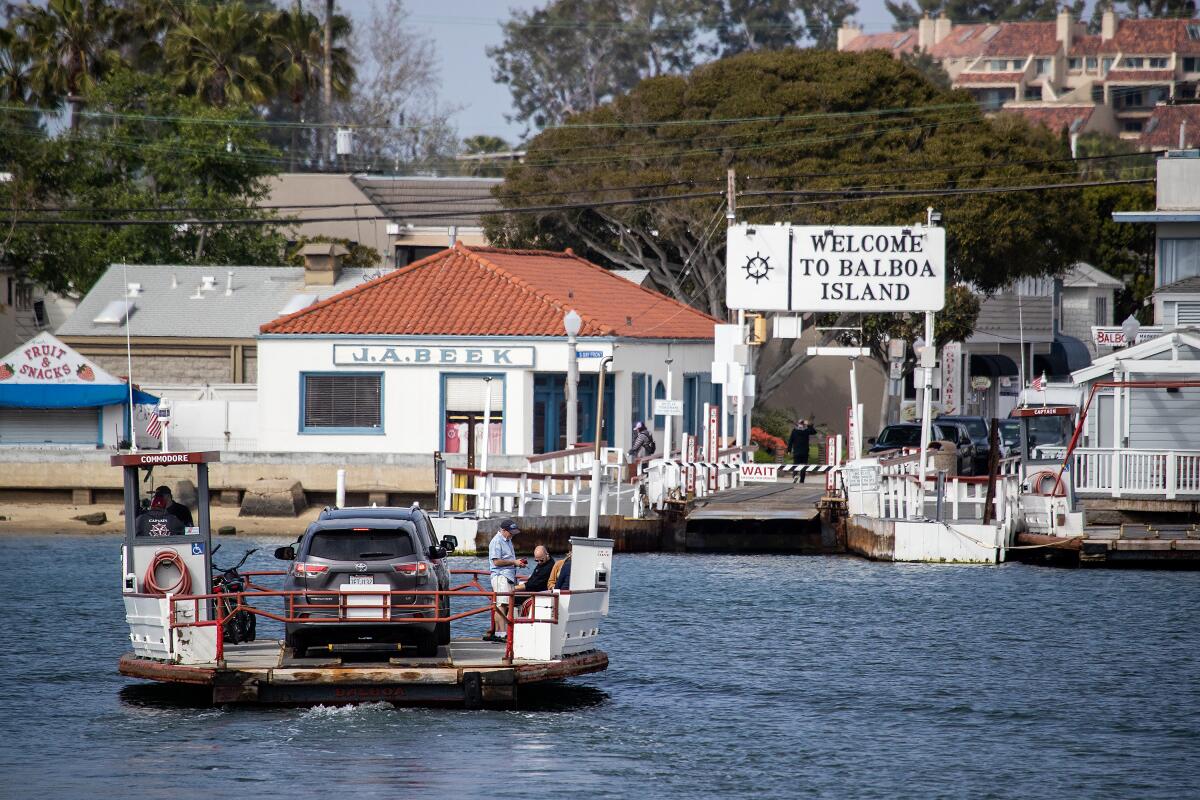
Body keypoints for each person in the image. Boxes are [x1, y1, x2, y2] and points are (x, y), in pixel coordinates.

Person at [486, 518, 525, 643]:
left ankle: (500, 632)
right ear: (503, 530)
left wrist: (517, 563)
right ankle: (501, 633)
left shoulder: (507, 540)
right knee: (501, 605)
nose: (512, 534)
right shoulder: (497, 541)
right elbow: (496, 562)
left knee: (503, 604)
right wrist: (514, 562)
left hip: (507, 576)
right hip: (500, 576)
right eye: (510, 532)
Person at [788, 418, 818, 483]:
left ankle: (795, 475)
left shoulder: (794, 431)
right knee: (803, 466)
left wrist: (789, 450)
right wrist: (809, 425)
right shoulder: (806, 430)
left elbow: (790, 441)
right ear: (804, 424)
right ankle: (802, 480)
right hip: (805, 452)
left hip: (796, 452)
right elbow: (814, 432)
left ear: (798, 424)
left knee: (795, 465)